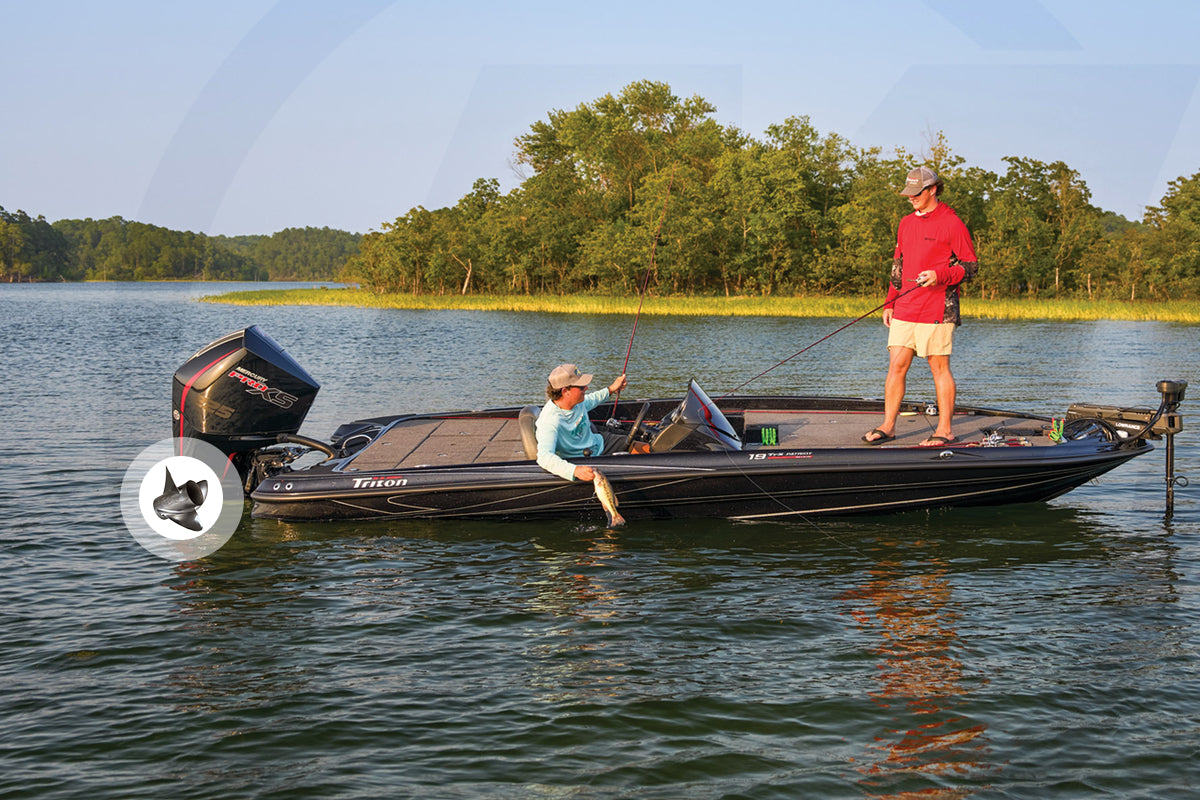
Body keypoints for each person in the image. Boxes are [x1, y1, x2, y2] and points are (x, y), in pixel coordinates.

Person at [862, 166, 979, 447]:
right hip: (904, 306)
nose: (911, 197)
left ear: (933, 190)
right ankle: (888, 426)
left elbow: (970, 267)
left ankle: (945, 430)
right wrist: (890, 301)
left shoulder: (952, 223)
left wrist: (941, 275)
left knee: (939, 368)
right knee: (896, 366)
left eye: (917, 193)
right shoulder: (905, 223)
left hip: (938, 308)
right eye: (908, 193)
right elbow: (898, 265)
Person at [535, 363, 647, 482]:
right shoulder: (550, 421)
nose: (586, 388)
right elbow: (544, 457)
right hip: (586, 458)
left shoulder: (576, 402)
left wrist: (612, 389)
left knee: (645, 448)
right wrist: (575, 471)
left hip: (598, 442)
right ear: (565, 391)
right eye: (581, 387)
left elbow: (593, 399)